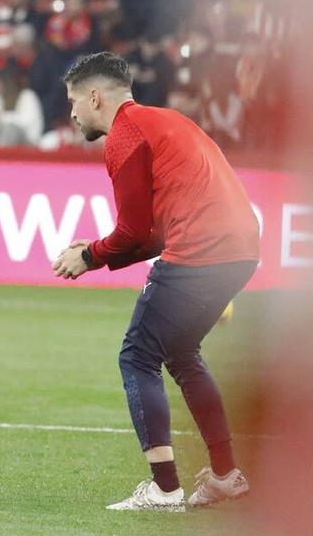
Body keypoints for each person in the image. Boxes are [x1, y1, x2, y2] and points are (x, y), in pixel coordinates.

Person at [51, 52, 262, 512]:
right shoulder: (166, 122)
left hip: (202, 248)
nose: (71, 112)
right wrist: (99, 253)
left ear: (94, 96)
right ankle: (225, 475)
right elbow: (150, 236)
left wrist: (88, 256)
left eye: (73, 101)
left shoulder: (124, 136)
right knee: (181, 354)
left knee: (137, 355)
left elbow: (131, 234)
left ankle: (165, 488)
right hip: (242, 248)